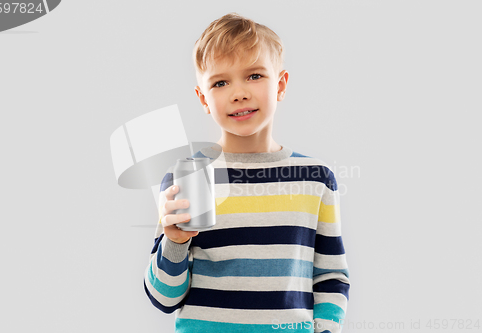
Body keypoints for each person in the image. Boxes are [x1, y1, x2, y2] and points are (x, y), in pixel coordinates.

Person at [144, 12, 350, 333]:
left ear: (280, 84)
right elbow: (163, 298)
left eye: (254, 76)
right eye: (220, 82)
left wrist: (324, 329)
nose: (238, 92)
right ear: (204, 99)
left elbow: (330, 277)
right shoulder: (187, 178)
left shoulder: (315, 177)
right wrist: (175, 241)